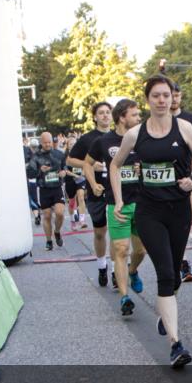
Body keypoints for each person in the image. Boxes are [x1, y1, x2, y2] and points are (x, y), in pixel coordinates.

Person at [111, 75, 192, 368]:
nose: (162, 100)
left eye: (166, 95)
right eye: (156, 95)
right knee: (166, 273)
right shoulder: (135, 134)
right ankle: (175, 345)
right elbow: (115, 166)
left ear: (172, 97)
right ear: (148, 99)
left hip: (178, 211)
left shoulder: (185, 128)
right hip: (149, 212)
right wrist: (118, 200)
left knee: (174, 275)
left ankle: (164, 315)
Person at [86, 98, 148, 316]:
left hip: (141, 203)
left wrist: (144, 169)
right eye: (134, 115)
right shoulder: (103, 141)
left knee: (140, 250)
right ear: (122, 117)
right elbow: (86, 162)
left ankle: (133, 271)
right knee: (121, 249)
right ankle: (124, 297)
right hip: (116, 204)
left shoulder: (143, 139)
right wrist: (93, 184)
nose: (139, 118)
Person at [66, 102, 114, 286]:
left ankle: (118, 269)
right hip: (96, 189)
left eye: (107, 112)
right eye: (101, 113)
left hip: (117, 189)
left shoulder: (118, 136)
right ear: (94, 117)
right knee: (100, 232)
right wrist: (92, 165)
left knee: (118, 232)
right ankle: (102, 266)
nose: (105, 116)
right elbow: (70, 160)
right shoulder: (88, 138)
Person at [171, 83, 192, 278]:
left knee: (187, 214)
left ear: (180, 96)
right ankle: (174, 261)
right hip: (165, 180)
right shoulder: (157, 120)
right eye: (170, 95)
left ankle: (183, 262)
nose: (173, 99)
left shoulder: (189, 119)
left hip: (186, 176)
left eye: (176, 95)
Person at [26, 132, 68, 250]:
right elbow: (30, 174)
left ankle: (57, 231)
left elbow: (65, 167)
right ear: (41, 142)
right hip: (44, 189)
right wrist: (40, 170)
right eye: (45, 142)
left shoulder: (59, 154)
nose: (48, 144)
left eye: (49, 142)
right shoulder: (36, 157)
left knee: (60, 213)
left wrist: (64, 172)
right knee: (47, 216)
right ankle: (49, 241)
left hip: (57, 188)